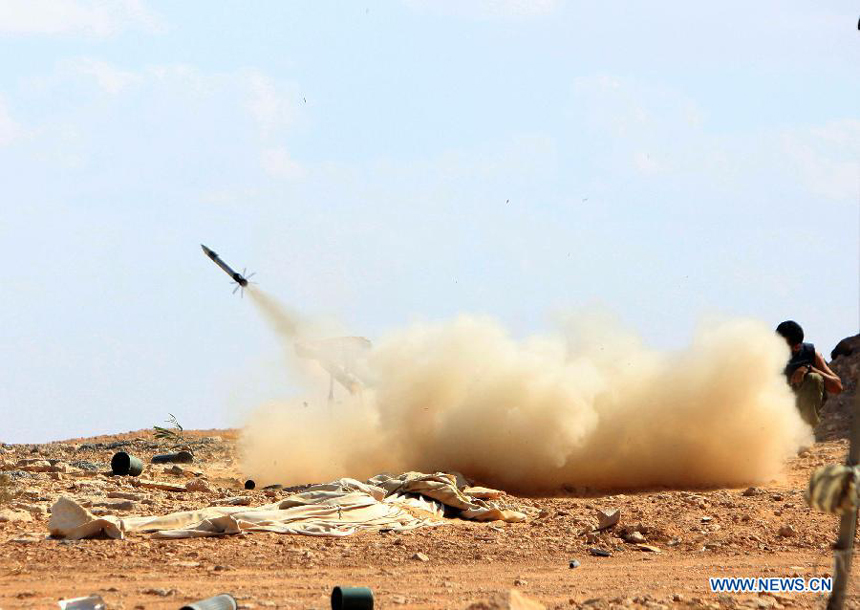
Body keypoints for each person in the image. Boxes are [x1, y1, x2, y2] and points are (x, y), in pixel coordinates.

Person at [776, 320, 843, 427]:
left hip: (801, 406)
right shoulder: (768, 356)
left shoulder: (810, 354)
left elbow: (837, 387)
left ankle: (806, 432)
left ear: (797, 347)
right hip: (777, 409)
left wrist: (809, 368)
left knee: (814, 378)